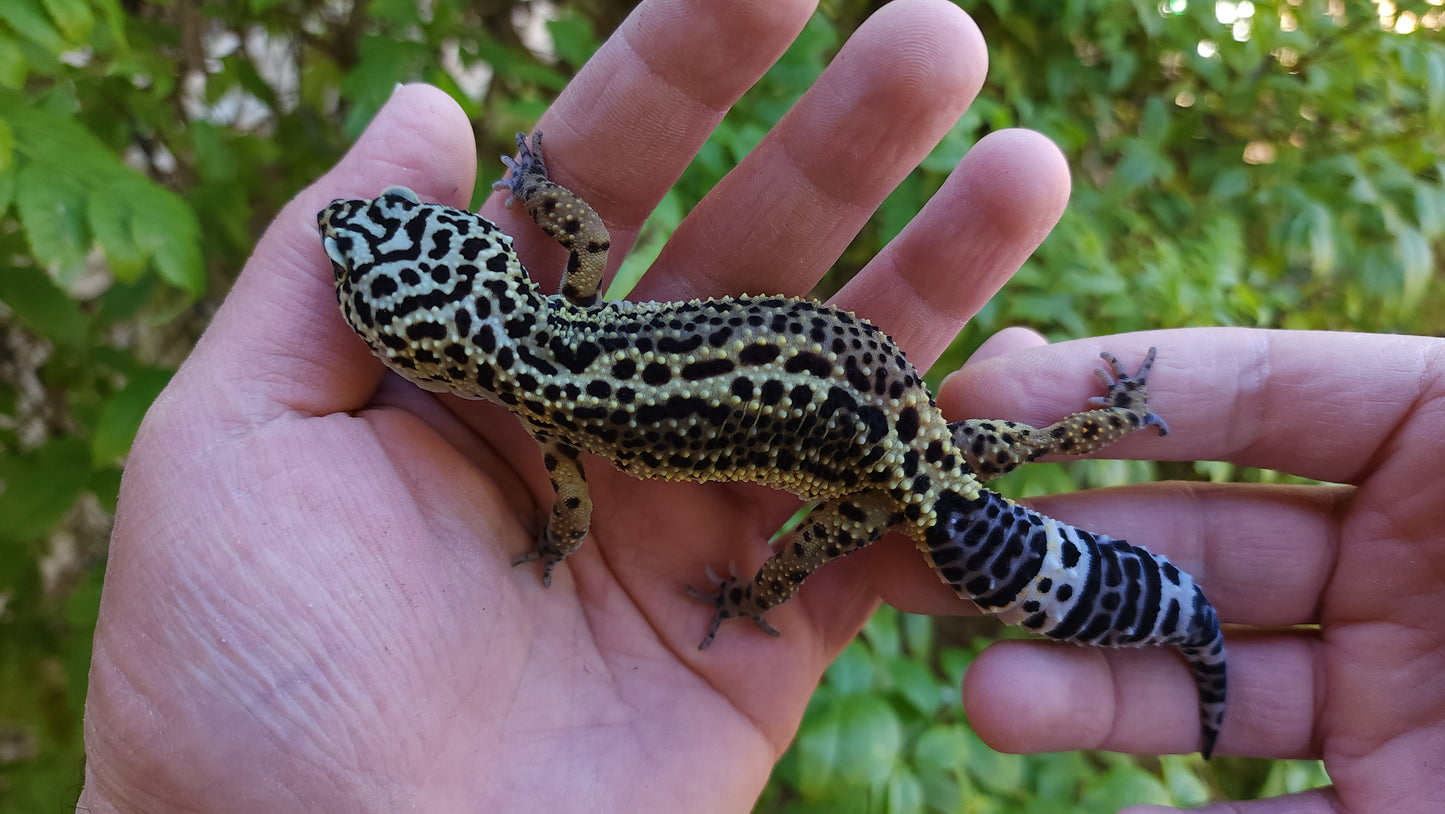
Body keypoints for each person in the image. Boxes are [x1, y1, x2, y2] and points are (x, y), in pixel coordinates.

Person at [77, 0, 1444, 811]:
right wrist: (540, 185)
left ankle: (1172, 620)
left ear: (441, 345)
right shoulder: (566, 304)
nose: (367, 226)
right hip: (890, 441)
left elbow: (562, 500)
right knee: (970, 459)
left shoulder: (551, 417)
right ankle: (1147, 562)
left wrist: (587, 552)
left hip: (885, 459)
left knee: (921, 491)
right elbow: (583, 237)